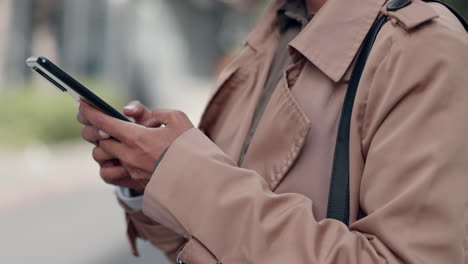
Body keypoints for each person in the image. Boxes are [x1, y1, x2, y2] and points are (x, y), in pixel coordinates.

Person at [77, 0, 468, 263]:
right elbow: (210, 239)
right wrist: (151, 178)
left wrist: (186, 175)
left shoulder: (423, 49)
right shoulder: (273, 35)